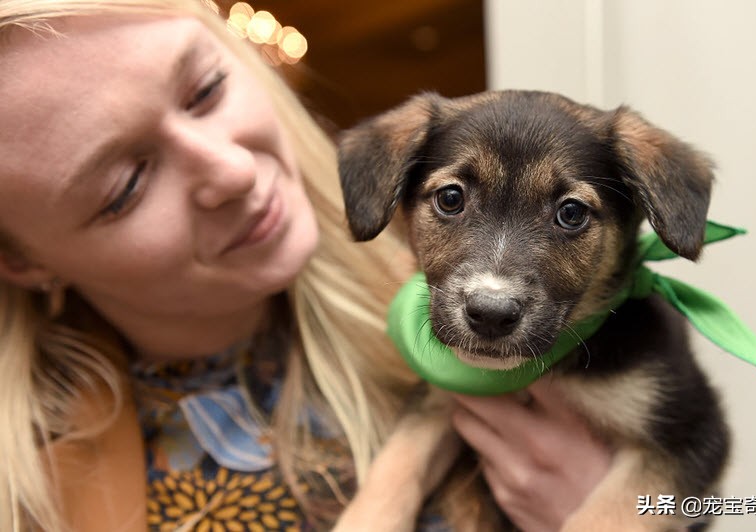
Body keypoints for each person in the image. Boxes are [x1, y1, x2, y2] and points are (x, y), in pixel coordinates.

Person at [0, 1, 612, 530]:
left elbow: (696, 500)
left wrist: (647, 511)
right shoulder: (38, 496)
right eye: (126, 184)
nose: (233, 171)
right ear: (22, 261)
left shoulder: (469, 302)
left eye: (205, 89)